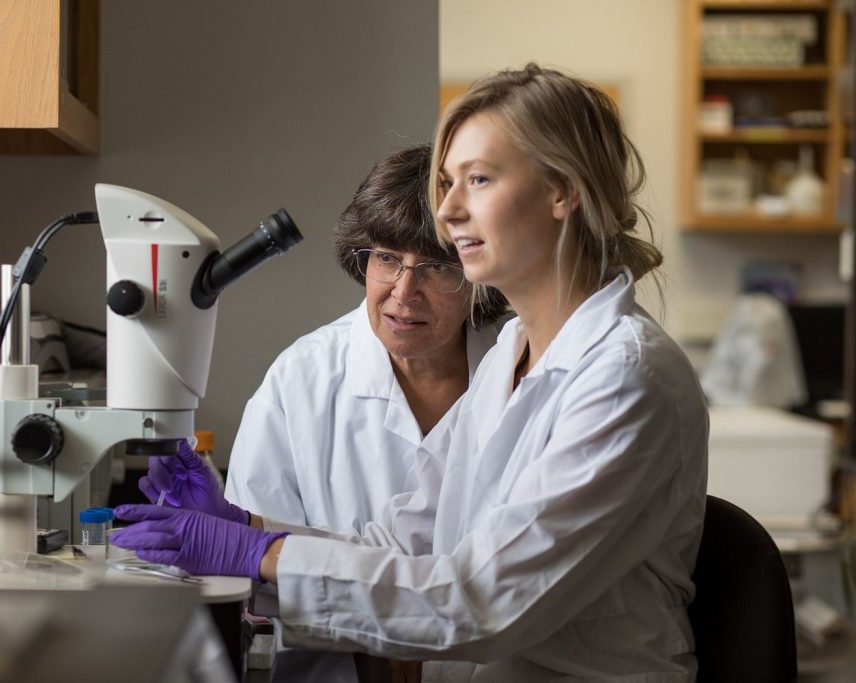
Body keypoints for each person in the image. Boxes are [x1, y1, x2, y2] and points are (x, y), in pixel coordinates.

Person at [113, 63, 709, 681]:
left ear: (564, 191)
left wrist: (256, 553)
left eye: (477, 179)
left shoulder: (625, 379)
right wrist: (244, 529)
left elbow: (481, 600)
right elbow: (410, 546)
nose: (448, 210)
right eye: (447, 183)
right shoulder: (513, 352)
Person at [142, 144, 507, 681]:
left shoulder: (517, 367)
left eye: (438, 266)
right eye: (386, 259)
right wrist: (242, 528)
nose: (404, 293)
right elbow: (257, 586)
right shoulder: (303, 380)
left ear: (479, 267)